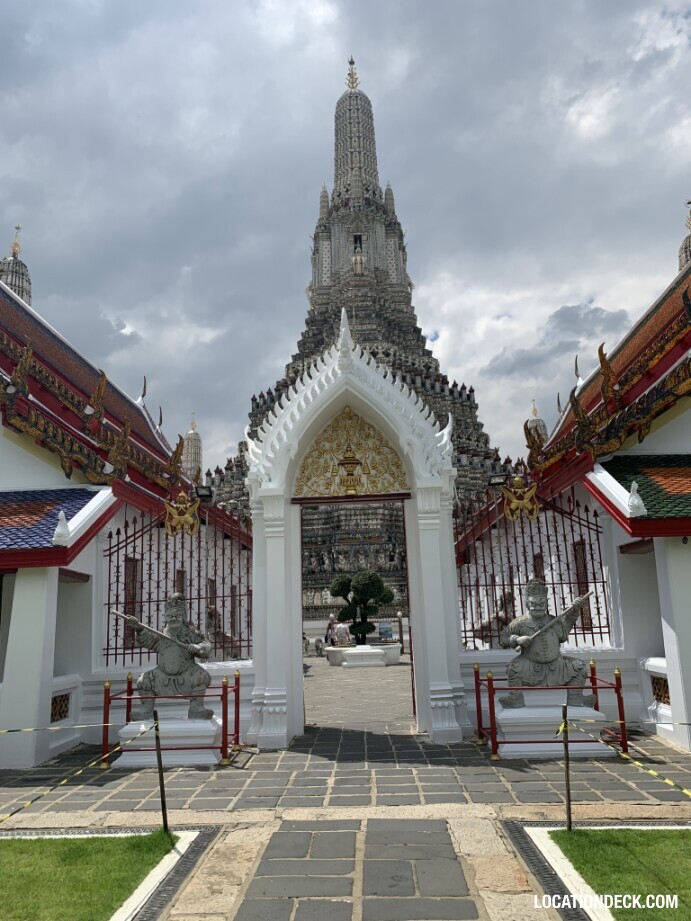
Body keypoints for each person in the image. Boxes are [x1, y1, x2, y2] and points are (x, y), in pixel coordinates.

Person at [499, 578, 594, 708]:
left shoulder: (554, 621)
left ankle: (576, 699)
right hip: (529, 665)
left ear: (547, 603)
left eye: (541, 604)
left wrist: (575, 610)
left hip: (557, 664)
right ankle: (515, 699)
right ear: (527, 604)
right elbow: (504, 637)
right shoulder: (520, 623)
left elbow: (564, 634)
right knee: (512, 668)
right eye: (533, 604)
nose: (537, 607)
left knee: (579, 667)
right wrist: (516, 639)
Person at [125, 592, 213, 720]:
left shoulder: (191, 632)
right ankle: (146, 709)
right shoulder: (161, 634)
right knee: (143, 681)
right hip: (162, 676)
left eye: (177, 616)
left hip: (187, 674)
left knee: (202, 677)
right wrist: (138, 629)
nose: (173, 618)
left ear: (183, 616)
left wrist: (198, 647)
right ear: (166, 616)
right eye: (170, 616)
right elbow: (146, 641)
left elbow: (206, 646)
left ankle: (196, 707)